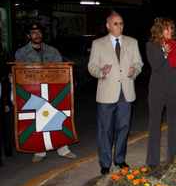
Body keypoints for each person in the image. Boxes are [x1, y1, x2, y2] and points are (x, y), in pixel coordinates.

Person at [88, 11, 143, 175]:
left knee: (123, 128)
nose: (120, 26)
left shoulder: (132, 42)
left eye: (121, 23)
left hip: (126, 93)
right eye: (116, 23)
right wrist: (101, 72)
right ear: (108, 25)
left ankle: (119, 159)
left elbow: (139, 63)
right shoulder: (98, 44)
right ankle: (105, 163)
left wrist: (134, 71)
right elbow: (91, 66)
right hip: (106, 93)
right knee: (105, 130)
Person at [14, 23, 77, 162]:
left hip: (53, 92)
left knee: (57, 116)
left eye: (39, 32)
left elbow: (61, 70)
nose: (37, 35)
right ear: (28, 36)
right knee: (37, 119)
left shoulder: (52, 51)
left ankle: (62, 148)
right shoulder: (21, 53)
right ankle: (39, 151)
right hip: (33, 91)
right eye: (34, 32)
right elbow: (18, 73)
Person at [145, 18, 176, 170]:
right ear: (159, 30)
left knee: (173, 124)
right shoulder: (151, 46)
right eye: (166, 29)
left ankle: (173, 157)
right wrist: (164, 52)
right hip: (157, 91)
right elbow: (155, 65)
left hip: (174, 89)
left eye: (171, 29)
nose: (170, 32)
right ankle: (152, 161)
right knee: (154, 124)